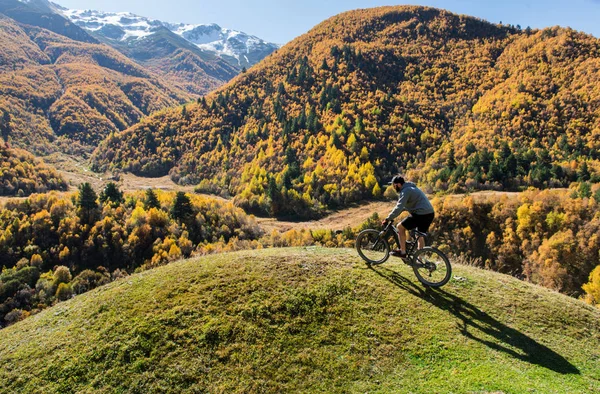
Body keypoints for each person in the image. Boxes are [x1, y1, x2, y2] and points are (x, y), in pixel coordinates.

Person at [382, 175, 435, 258]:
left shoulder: (405, 191)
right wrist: (393, 215)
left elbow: (399, 206)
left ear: (399, 184)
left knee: (400, 227)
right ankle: (420, 258)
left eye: (394, 185)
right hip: (429, 214)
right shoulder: (411, 188)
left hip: (421, 214)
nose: (394, 187)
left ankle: (402, 252)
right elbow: (404, 207)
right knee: (419, 235)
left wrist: (388, 218)